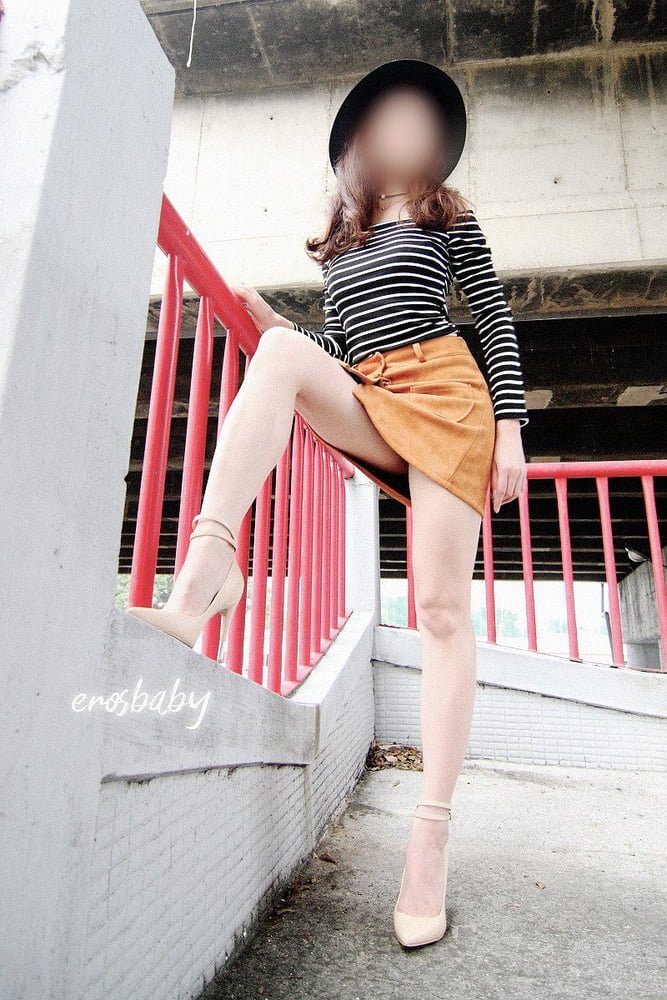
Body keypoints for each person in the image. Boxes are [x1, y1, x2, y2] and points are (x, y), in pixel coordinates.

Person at [128, 59, 529, 949]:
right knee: (278, 359)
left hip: (450, 399)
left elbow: (492, 318)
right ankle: (204, 577)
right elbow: (341, 345)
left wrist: (511, 428)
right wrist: (277, 326)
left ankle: (429, 836)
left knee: (438, 609)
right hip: (376, 393)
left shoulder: (447, 215)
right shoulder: (342, 240)